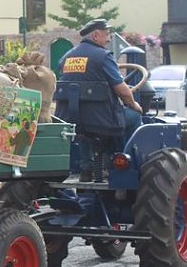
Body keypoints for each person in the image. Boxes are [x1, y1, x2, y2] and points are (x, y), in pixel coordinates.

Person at [54, 19, 143, 181]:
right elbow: (122, 90)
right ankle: (122, 164)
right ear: (96, 35)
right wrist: (134, 104)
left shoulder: (67, 58)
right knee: (133, 116)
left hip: (70, 120)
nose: (109, 39)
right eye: (107, 34)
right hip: (102, 121)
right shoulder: (103, 57)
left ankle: (86, 167)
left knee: (84, 127)